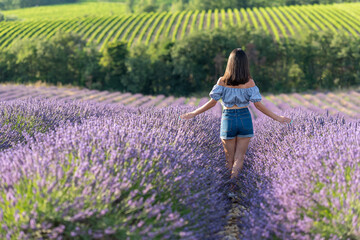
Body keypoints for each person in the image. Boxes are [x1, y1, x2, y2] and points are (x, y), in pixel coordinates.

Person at [179, 48, 292, 198]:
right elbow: (258, 105)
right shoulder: (249, 82)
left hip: (228, 119)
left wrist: (194, 113)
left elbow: (212, 103)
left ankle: (227, 190)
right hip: (245, 118)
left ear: (230, 63)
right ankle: (233, 187)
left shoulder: (222, 81)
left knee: (228, 158)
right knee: (240, 157)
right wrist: (278, 117)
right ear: (245, 64)